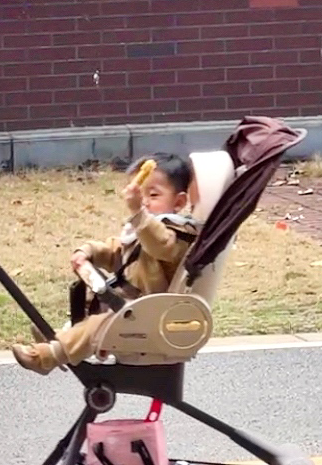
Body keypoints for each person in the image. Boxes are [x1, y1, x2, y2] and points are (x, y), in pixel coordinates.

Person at [11, 152, 198, 375]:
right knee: (90, 302)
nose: (145, 201)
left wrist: (139, 212)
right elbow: (119, 251)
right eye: (141, 193)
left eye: (154, 195)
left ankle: (48, 356)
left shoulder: (177, 234)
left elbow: (160, 245)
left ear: (178, 202)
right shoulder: (146, 227)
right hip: (130, 303)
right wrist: (90, 251)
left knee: (98, 326)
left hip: (147, 313)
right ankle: (62, 338)